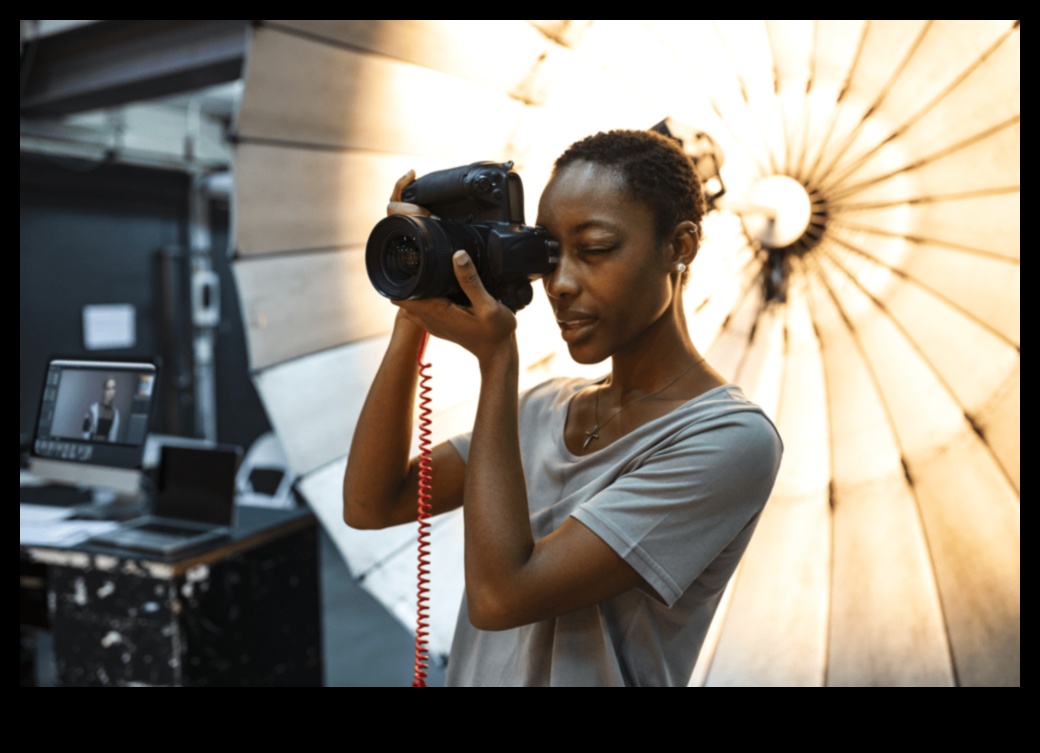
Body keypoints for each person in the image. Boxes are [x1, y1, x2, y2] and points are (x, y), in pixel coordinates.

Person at [343, 129, 782, 686]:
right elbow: (370, 502)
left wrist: (497, 361)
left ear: (680, 247)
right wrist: (414, 308)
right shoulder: (543, 410)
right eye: (548, 254)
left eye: (595, 249)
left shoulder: (729, 441)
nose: (561, 284)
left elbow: (501, 597)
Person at [82, 376, 119, 442]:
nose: (111, 392)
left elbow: (113, 438)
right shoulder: (92, 409)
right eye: (108, 389)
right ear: (104, 390)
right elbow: (85, 435)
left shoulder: (116, 414)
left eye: (113, 388)